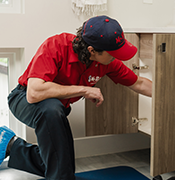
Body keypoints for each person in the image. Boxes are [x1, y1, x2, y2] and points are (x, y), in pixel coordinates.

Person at [0, 15, 152, 180]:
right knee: (52, 111)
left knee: (62, 165)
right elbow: (34, 92)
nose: (116, 57)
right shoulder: (56, 45)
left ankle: (10, 144)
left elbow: (139, 83)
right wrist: (84, 90)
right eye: (113, 53)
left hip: (56, 111)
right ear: (92, 50)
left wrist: (168, 97)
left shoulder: (107, 62)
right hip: (23, 99)